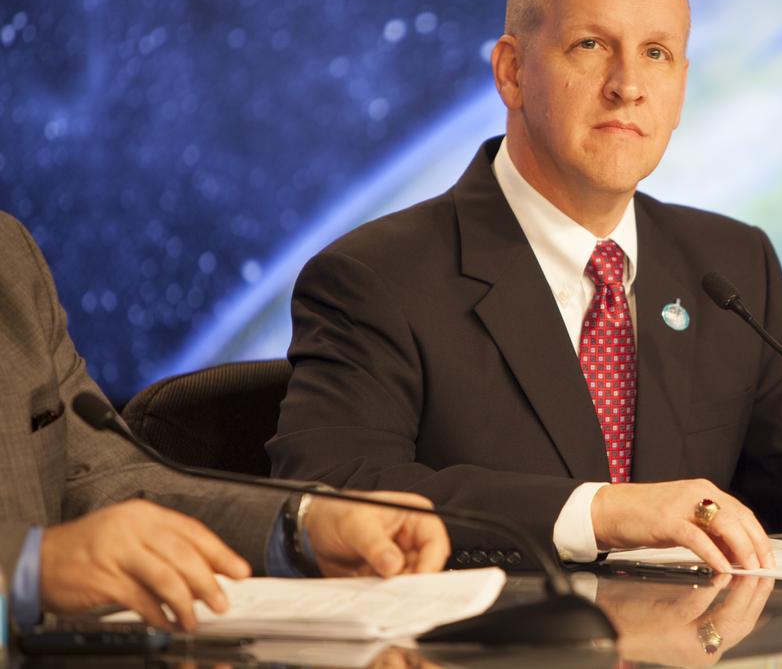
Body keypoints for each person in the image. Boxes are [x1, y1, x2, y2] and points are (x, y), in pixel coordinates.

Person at [269, 0, 782, 572]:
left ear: (681, 88)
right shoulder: (376, 277)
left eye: (657, 54)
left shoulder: (727, 264)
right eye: (591, 46)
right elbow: (333, 493)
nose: (628, 86)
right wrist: (603, 511)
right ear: (512, 72)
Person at [0, 211, 450, 631]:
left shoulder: (8, 257)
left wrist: (302, 525)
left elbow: (103, 483)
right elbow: (51, 558)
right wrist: (29, 568)